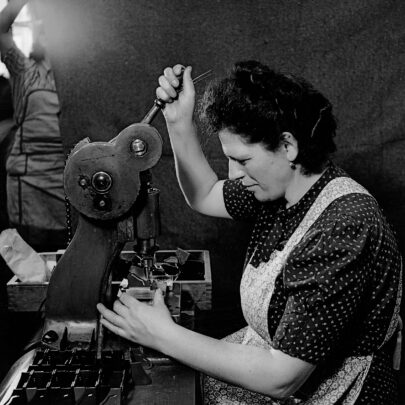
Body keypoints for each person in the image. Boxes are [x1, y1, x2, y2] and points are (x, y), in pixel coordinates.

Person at [97, 61, 402, 404]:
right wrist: (178, 121)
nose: (235, 173)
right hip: (273, 365)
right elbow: (205, 194)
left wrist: (163, 334)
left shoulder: (344, 226)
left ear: (288, 146)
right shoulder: (283, 186)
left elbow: (280, 378)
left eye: (242, 160)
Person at [0, 0, 66, 252]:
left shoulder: (82, 77)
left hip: (68, 179)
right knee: (33, 262)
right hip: (30, 182)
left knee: (69, 260)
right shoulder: (23, 70)